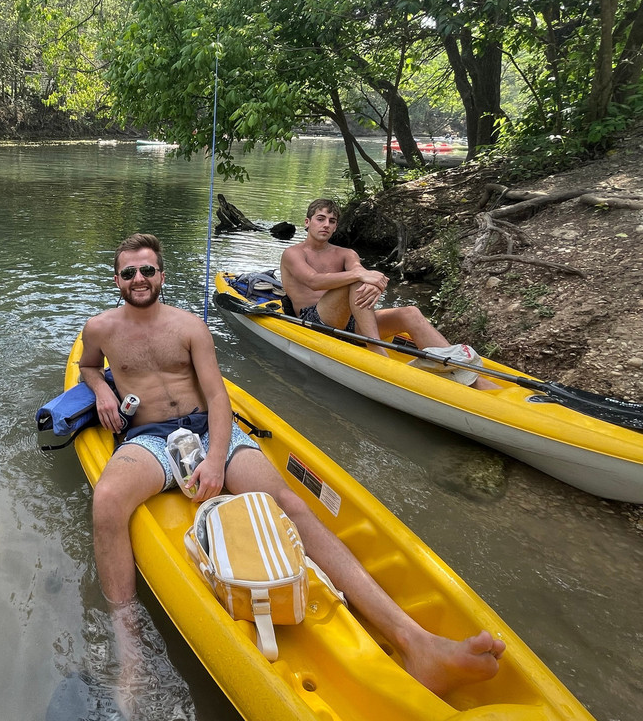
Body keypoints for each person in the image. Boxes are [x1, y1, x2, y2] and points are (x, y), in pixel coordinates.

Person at [79, 232, 504, 707]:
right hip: (151, 437)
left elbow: (219, 397)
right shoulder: (99, 329)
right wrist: (99, 388)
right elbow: (89, 366)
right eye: (129, 272)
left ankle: (414, 640)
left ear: (162, 274)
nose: (139, 279)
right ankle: (129, 649)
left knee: (289, 503)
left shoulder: (189, 327)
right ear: (117, 279)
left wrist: (216, 459)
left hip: (207, 428)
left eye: (148, 270)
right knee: (109, 501)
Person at [280, 198, 497, 388]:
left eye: (332, 221)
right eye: (320, 219)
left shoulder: (346, 253)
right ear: (307, 223)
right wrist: (366, 277)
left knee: (410, 312)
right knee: (355, 279)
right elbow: (314, 281)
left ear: (336, 227)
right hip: (312, 322)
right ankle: (376, 348)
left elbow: (361, 273)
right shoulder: (293, 253)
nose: (326, 225)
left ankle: (460, 370)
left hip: (349, 322)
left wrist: (376, 283)